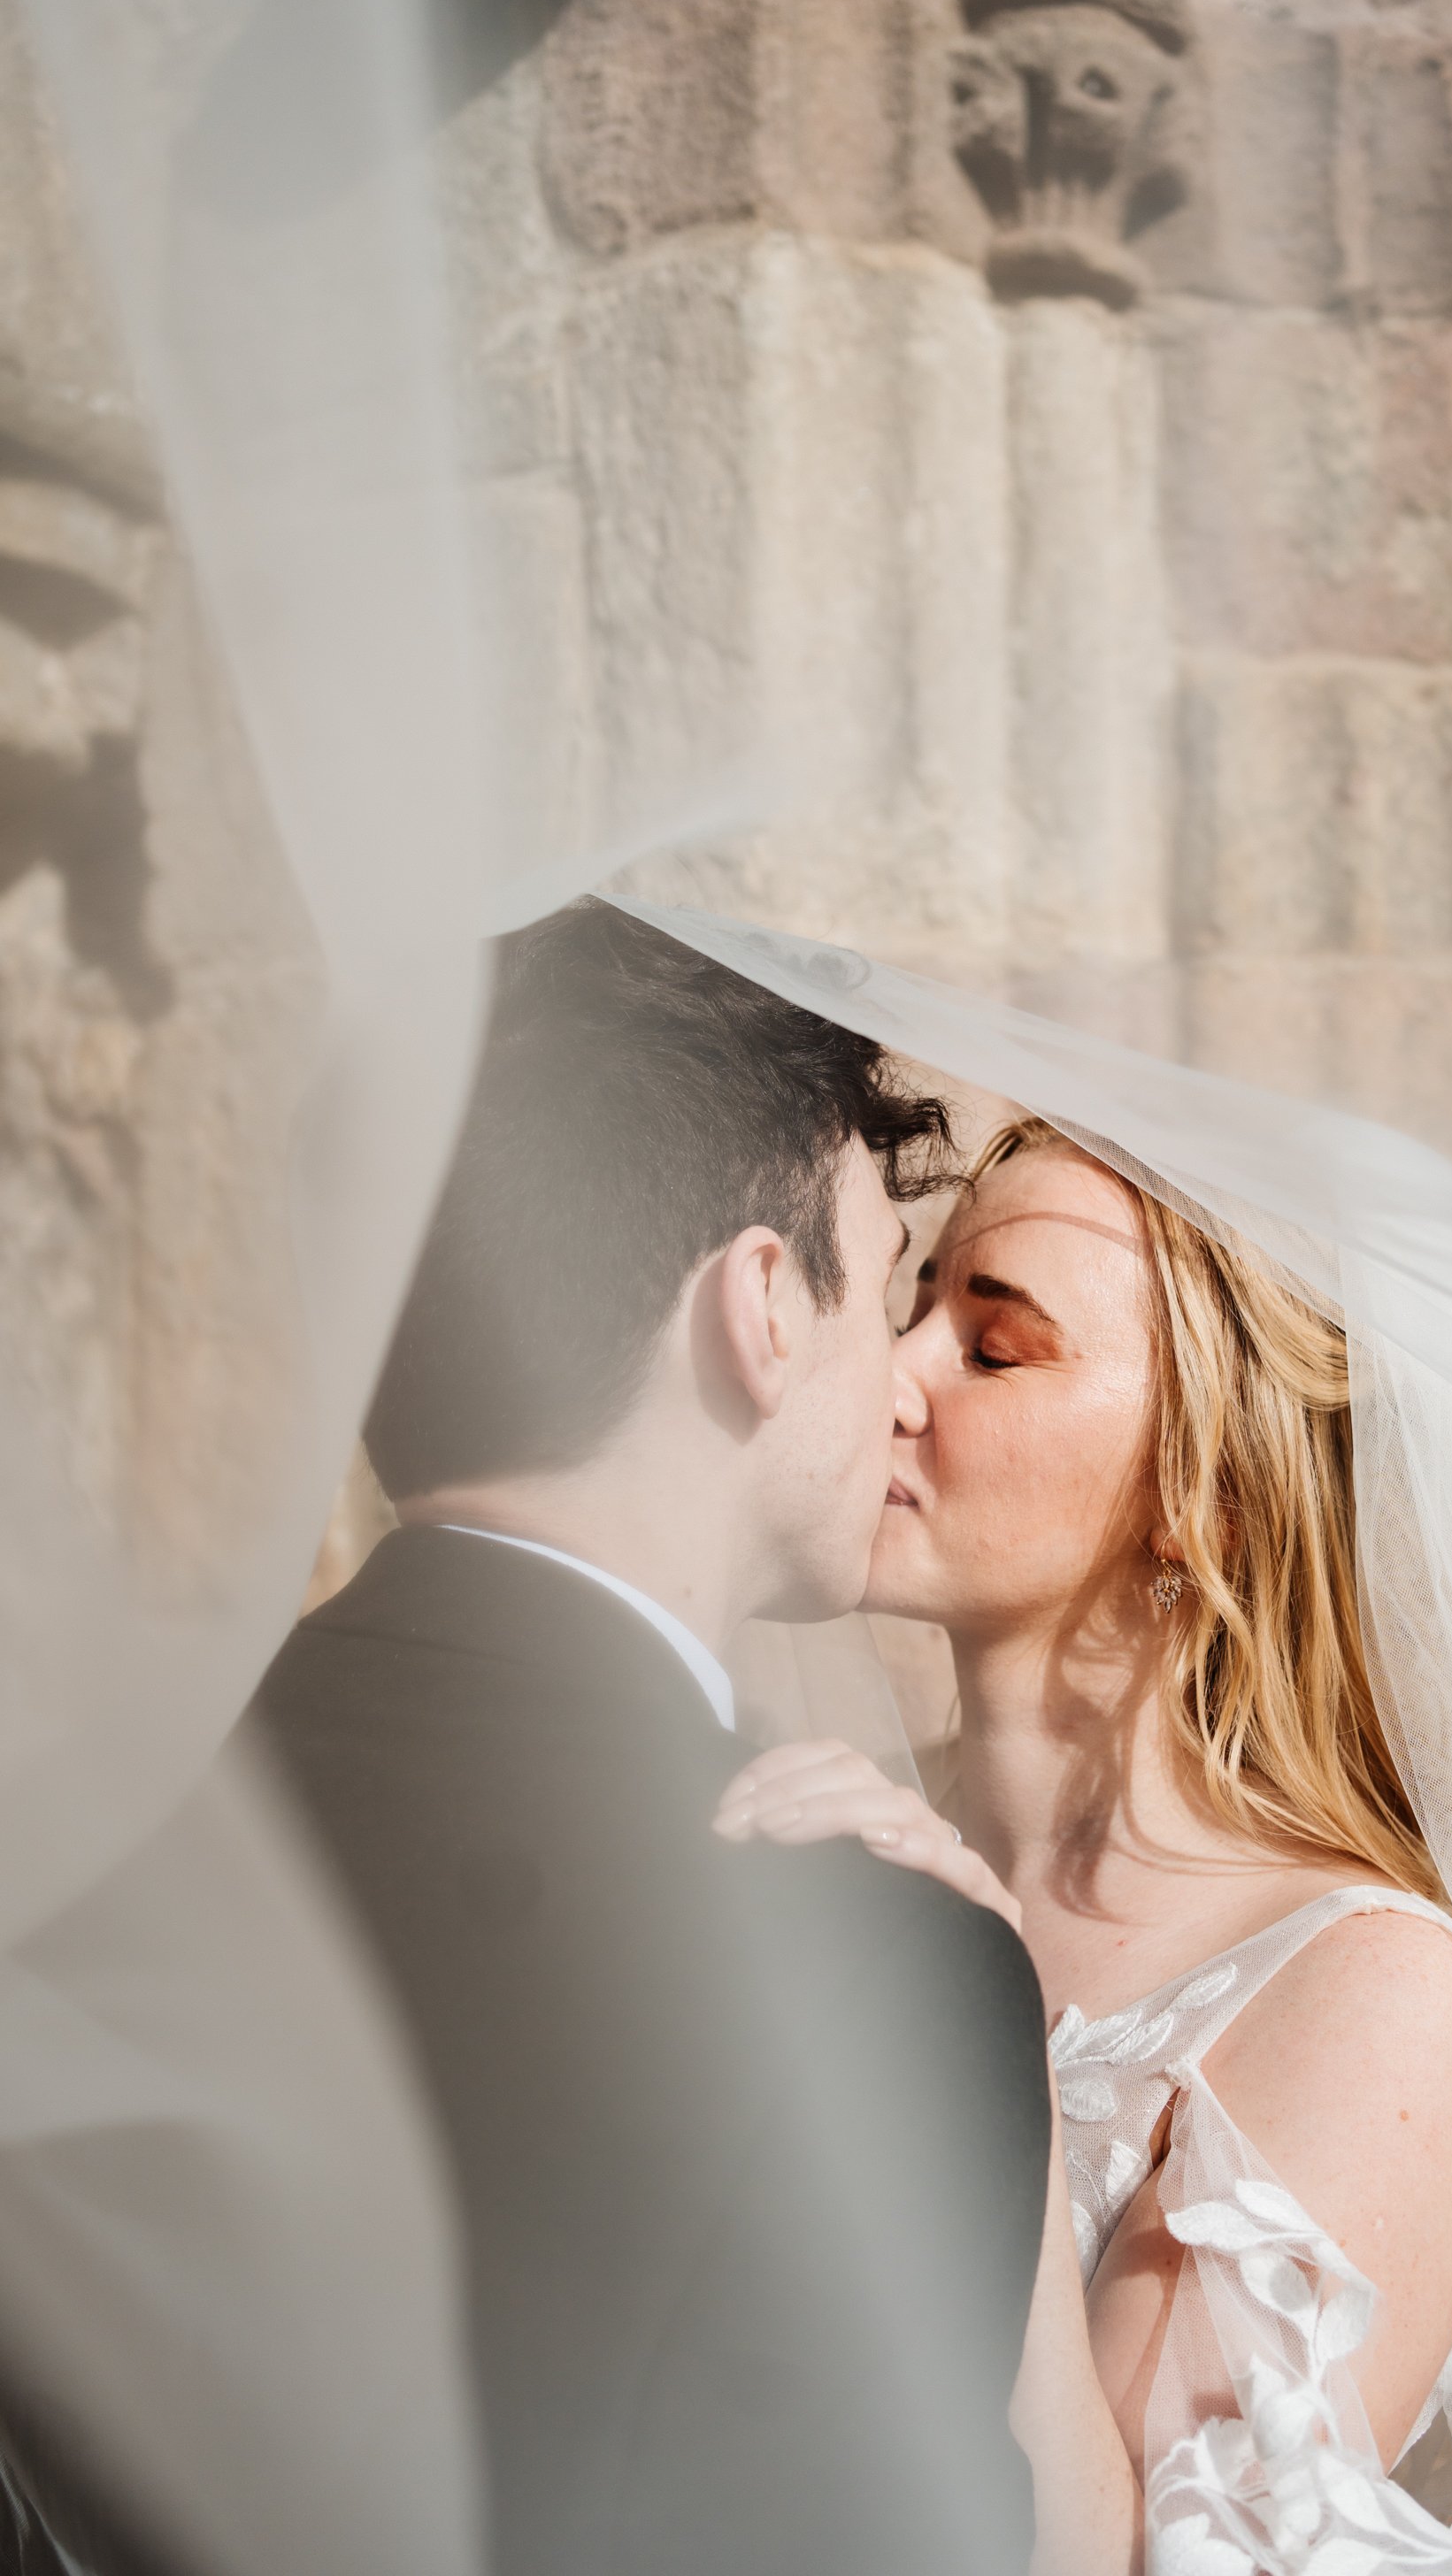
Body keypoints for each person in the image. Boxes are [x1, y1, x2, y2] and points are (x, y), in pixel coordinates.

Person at [716, 1113, 1452, 2574]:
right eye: (916, 1307)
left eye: (995, 1351)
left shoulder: (1365, 1993)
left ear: (1203, 1496)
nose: (897, 1377)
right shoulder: (810, 1822)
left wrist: (966, 2034)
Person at [246, 902, 1054, 2576]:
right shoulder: (865, 1964)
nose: (906, 1389)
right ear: (763, 1307)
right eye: (886, 1286)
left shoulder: (127, 1823)